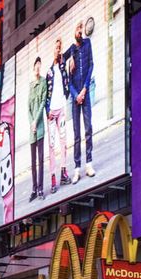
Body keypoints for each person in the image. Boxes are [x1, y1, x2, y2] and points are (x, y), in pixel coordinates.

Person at [64, 20, 95, 185]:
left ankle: (89, 163)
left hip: (85, 93)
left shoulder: (87, 44)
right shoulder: (69, 52)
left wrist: (84, 90)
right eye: (78, 28)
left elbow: (91, 65)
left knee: (88, 128)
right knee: (76, 135)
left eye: (81, 28)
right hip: (75, 98)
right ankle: (77, 168)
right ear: (73, 31)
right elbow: (65, 78)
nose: (80, 31)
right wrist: (76, 95)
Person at [45, 37, 71, 194]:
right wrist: (47, 110)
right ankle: (53, 178)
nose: (58, 50)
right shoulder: (49, 71)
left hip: (61, 109)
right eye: (56, 48)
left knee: (63, 142)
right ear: (52, 50)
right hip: (51, 113)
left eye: (60, 48)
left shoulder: (62, 66)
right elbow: (46, 93)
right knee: (52, 146)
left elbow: (72, 50)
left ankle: (63, 171)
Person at [28, 56, 47, 201]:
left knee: (40, 160)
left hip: (39, 127)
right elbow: (28, 107)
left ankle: (41, 188)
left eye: (40, 65)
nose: (38, 67)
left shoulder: (43, 82)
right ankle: (34, 188)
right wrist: (31, 123)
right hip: (32, 130)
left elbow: (42, 104)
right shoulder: (30, 85)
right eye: (37, 65)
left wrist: (35, 122)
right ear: (34, 67)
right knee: (33, 162)